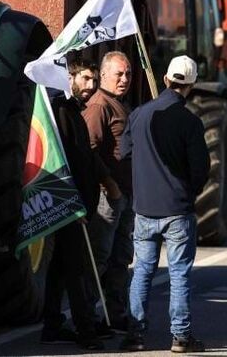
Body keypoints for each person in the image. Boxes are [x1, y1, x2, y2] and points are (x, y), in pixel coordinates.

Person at [119, 55, 210, 353]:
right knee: (179, 273)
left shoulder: (139, 115)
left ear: (166, 79)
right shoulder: (190, 122)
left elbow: (123, 154)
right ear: (191, 85)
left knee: (142, 270)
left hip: (144, 207)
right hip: (178, 209)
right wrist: (189, 191)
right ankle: (181, 337)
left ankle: (135, 334)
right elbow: (200, 170)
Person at [40, 60, 109, 349]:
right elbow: (68, 162)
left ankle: (52, 324)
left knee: (59, 265)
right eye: (85, 79)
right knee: (75, 267)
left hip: (78, 202)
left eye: (94, 80)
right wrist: (76, 202)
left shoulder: (74, 112)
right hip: (71, 203)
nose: (91, 86)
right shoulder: (61, 112)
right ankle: (86, 331)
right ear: (69, 78)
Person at [82, 51, 133, 334]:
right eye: (118, 74)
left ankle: (116, 315)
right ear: (104, 75)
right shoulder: (100, 105)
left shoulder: (120, 104)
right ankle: (88, 317)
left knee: (120, 259)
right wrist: (110, 185)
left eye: (127, 74)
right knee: (98, 258)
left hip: (124, 195)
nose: (124, 79)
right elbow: (88, 149)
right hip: (107, 196)